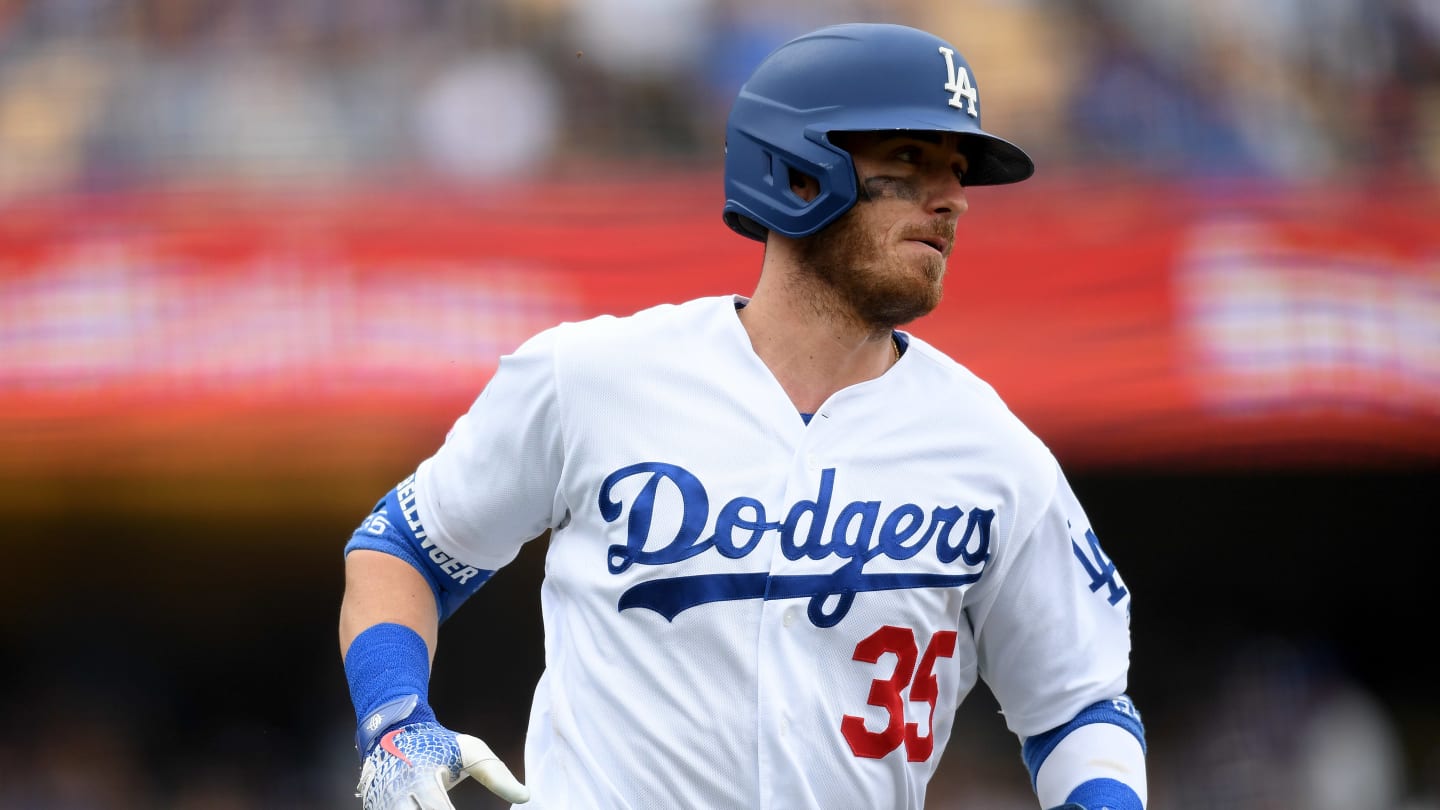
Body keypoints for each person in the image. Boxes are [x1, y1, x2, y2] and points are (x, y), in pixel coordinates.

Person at [338, 22, 1148, 810]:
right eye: (910, 162)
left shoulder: (994, 450)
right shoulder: (595, 376)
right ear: (798, 172)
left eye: (957, 172)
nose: (952, 202)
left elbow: (1079, 704)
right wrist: (395, 723)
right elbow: (405, 546)